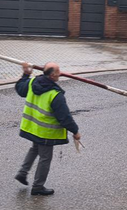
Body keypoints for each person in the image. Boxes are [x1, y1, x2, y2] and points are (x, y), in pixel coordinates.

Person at [14, 61, 81, 196]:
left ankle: (22, 173)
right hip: (45, 132)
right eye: (58, 71)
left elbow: (20, 90)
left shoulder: (33, 82)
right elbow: (65, 117)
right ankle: (38, 186)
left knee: (35, 149)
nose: (60, 73)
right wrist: (75, 131)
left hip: (33, 128)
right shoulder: (55, 94)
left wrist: (25, 75)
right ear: (52, 75)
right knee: (45, 158)